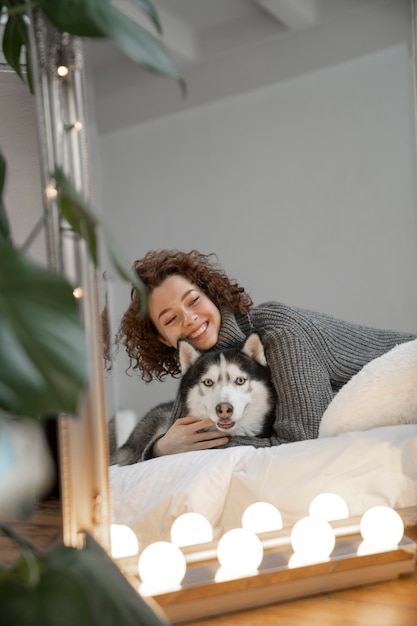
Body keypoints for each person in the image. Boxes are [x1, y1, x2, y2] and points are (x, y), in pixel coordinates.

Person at [116, 249, 416, 461]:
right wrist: (159, 449)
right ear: (163, 339)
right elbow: (181, 436)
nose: (189, 318)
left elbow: (301, 439)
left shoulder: (279, 332)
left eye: (193, 300)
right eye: (169, 319)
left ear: (211, 295)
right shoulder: (201, 367)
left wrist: (207, 446)